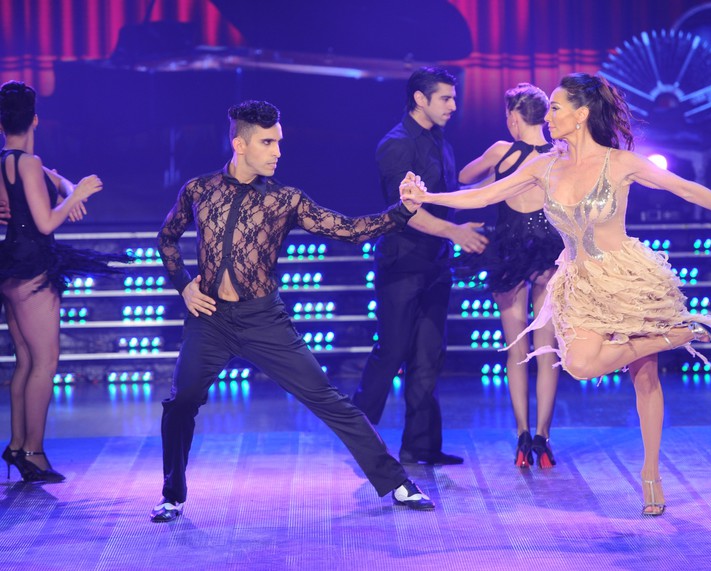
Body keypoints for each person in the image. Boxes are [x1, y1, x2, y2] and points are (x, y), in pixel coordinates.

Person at [400, 72, 711, 515]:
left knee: (644, 377)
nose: (549, 116)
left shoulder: (620, 163)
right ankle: (681, 334)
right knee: (580, 365)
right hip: (580, 283)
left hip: (628, 277)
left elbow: (685, 187)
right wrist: (427, 197)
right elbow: (485, 195)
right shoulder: (544, 166)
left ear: (581, 114)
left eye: (556, 108)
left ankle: (651, 473)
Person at [151, 99, 435, 523]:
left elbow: (349, 230)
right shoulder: (199, 190)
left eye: (279, 142)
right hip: (209, 320)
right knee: (181, 403)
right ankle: (172, 495)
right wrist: (184, 285)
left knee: (327, 399)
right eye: (267, 143)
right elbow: (167, 238)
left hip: (263, 320)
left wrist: (403, 211)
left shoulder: (285, 199)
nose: (277, 151)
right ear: (240, 144)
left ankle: (397, 482)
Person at [352, 67, 487, 466]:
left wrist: (501, 184)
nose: (454, 106)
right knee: (392, 351)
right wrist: (455, 232)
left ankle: (420, 446)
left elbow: (447, 195)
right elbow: (406, 211)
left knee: (429, 356)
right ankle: (358, 435)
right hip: (402, 264)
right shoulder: (395, 145)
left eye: (454, 97)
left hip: (435, 265)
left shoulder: (440, 141)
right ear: (420, 99)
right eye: (445, 98)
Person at [0, 80, 121, 483]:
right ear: (35, 120)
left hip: (12, 266)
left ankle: (18, 445)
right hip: (33, 268)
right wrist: (77, 194)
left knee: (26, 360)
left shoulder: (9, 161)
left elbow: (57, 182)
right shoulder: (28, 164)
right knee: (45, 362)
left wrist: (69, 191)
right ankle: (33, 453)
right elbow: (47, 221)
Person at [457, 83, 564, 468]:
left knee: (516, 351)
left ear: (515, 118)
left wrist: (494, 181)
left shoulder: (502, 151)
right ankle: (543, 439)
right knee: (547, 350)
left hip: (509, 254)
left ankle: (521, 437)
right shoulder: (559, 155)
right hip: (550, 254)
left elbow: (465, 177)